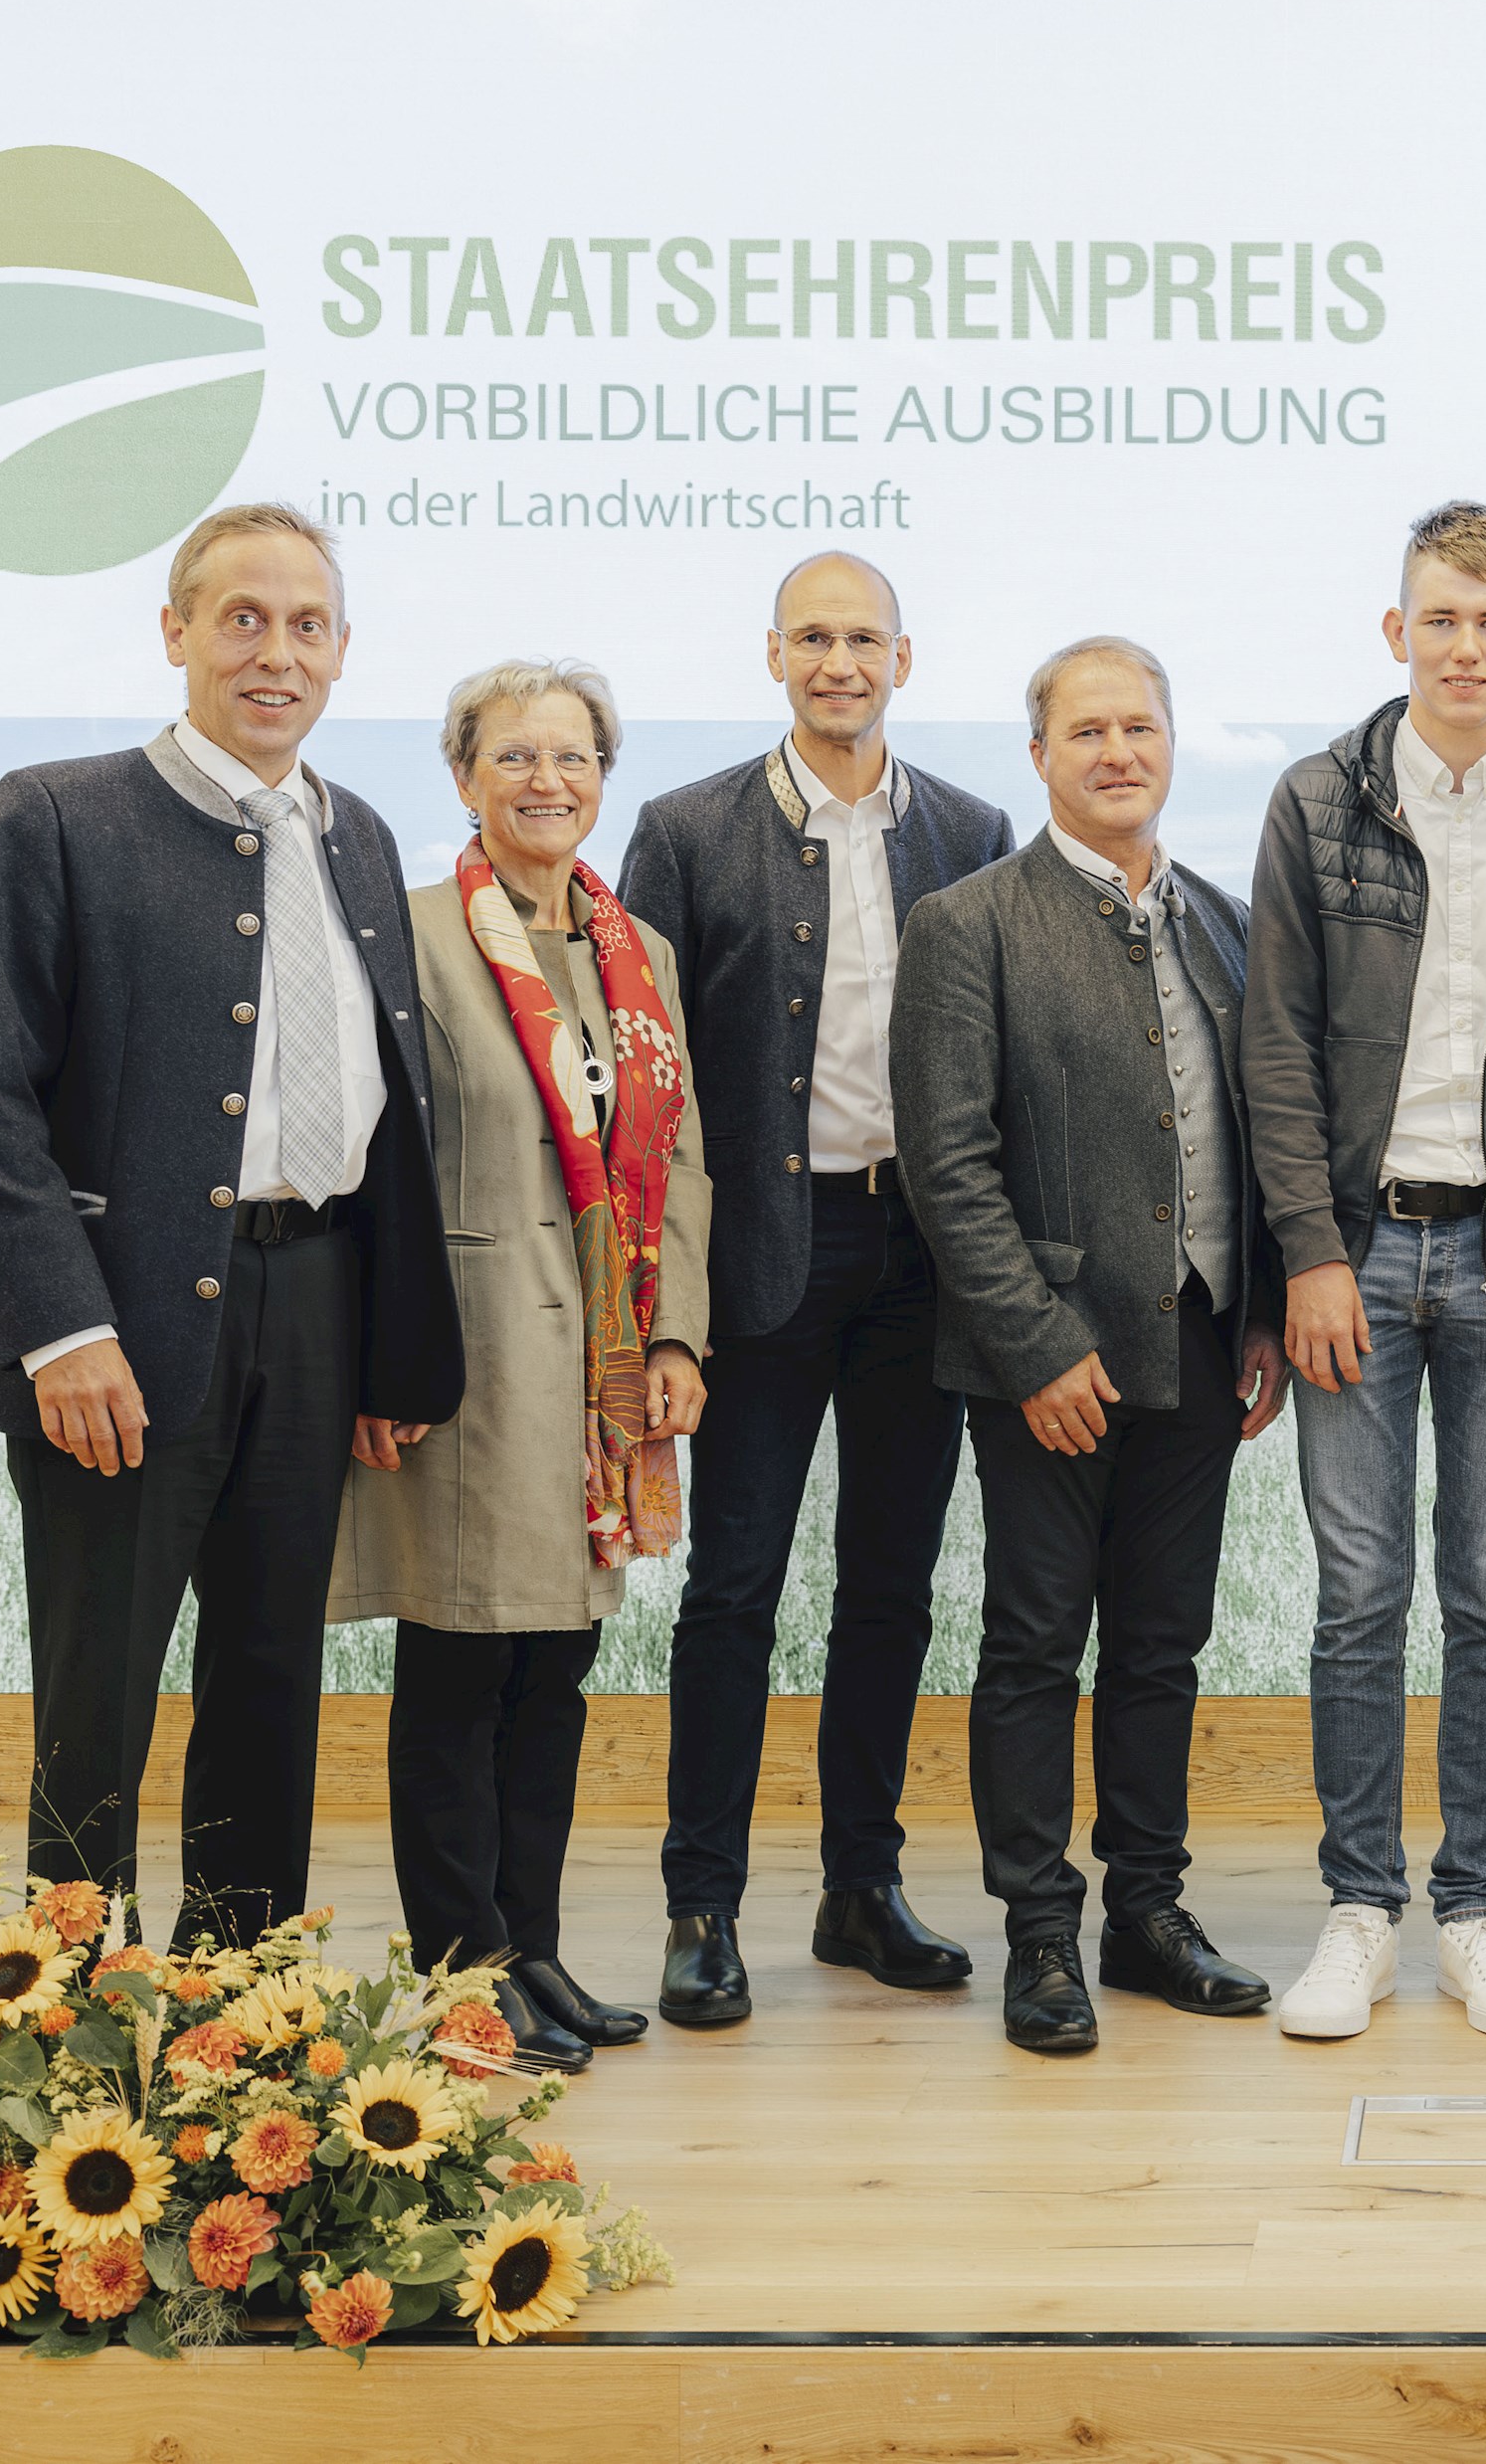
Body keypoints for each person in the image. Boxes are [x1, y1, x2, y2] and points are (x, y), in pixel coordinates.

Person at [0, 501, 462, 1950]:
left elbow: (384, 1105)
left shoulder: (358, 834)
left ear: (343, 653)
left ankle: (234, 2005)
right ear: (175, 632)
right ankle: (62, 2015)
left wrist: (383, 1356)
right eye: (242, 618)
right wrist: (62, 1330)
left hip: (317, 1308)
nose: (273, 653)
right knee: (97, 1694)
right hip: (122, 1324)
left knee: (271, 1677)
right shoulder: (54, 814)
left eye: (305, 626)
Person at [1242, 501, 1486, 2043]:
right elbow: (1274, 1050)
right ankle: (1359, 1910)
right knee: (1358, 1597)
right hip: (1358, 1249)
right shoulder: (1314, 800)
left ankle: (1477, 1910)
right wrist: (1310, 1255)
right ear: (1394, 632)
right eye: (1439, 619)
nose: (1465, 647)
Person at [617, 551, 1014, 2028]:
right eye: (814, 639)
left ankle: (862, 1890)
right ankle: (701, 1906)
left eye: (866, 640)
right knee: (734, 1589)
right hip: (762, 1267)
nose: (840, 662)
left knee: (890, 1595)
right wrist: (663, 1301)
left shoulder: (973, 829)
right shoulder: (684, 830)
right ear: (774, 656)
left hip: (922, 1261)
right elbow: (650, 1086)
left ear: (904, 661)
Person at [893, 636, 1294, 2055]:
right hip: (1049, 1362)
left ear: (1172, 743)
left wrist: (1258, 1312)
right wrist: (1034, 1346)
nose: (1117, 752)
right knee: (1033, 1645)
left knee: (1163, 1647)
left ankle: (1147, 1917)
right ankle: (1041, 1934)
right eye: (1087, 732)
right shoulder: (970, 922)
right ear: (1042, 756)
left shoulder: (1230, 924)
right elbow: (949, 1163)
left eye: (1140, 727)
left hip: (1199, 1346)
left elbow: (1255, 1138)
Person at [331, 662, 712, 2074]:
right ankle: (458, 1978)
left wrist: (677, 1335)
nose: (547, 781)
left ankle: (531, 1947)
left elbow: (680, 1158)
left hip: (605, 1379)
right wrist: (380, 1361)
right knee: (458, 1673)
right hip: (469, 1364)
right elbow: (370, 1171)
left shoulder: (641, 952)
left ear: (605, 776)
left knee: (554, 1675)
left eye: (574, 757)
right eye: (515, 757)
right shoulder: (415, 937)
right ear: (464, 776)